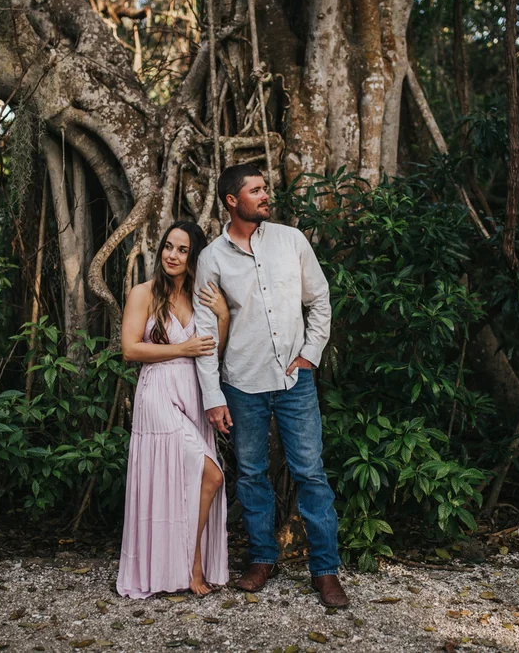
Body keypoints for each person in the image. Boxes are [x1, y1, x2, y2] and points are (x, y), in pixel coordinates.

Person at [192, 164, 349, 608]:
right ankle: (263, 559)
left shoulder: (291, 240)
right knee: (251, 474)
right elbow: (205, 332)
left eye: (265, 189)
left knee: (310, 473)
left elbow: (319, 300)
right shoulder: (212, 259)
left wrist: (310, 354)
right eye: (256, 190)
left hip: (294, 380)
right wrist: (213, 396)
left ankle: (325, 570)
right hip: (242, 383)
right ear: (231, 200)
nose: (266, 196)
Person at [116, 220, 231, 598]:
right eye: (168, 246)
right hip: (158, 393)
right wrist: (181, 349)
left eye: (182, 250)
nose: (172, 255)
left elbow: (212, 351)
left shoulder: (201, 297)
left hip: (193, 393)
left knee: (193, 478)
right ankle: (192, 563)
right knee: (210, 475)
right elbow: (130, 349)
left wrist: (224, 317)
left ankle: (180, 563)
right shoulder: (144, 293)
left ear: (193, 256)